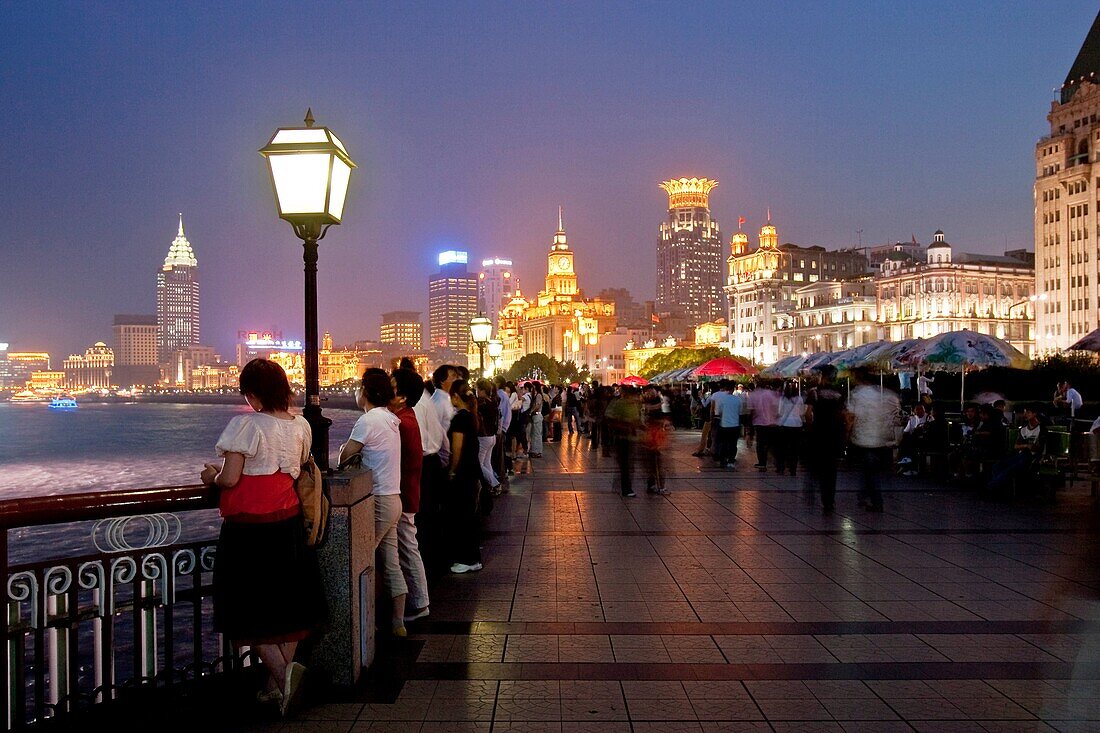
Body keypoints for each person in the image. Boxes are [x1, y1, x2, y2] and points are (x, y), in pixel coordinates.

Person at [201, 358, 323, 715]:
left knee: (247, 608)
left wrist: (210, 475)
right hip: (287, 523)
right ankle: (276, 687)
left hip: (248, 531)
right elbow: (298, 466)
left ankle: (286, 678)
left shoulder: (246, 425)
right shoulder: (300, 425)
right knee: (288, 605)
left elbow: (230, 478)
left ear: (252, 395)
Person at [339, 371, 408, 637]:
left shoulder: (368, 421)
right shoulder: (391, 419)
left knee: (363, 559)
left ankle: (365, 624)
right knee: (391, 562)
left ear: (366, 392)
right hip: (394, 498)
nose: (356, 392)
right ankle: (398, 622)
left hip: (377, 499)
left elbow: (346, 455)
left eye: (359, 387)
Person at [389, 367, 430, 624]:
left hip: (403, 493)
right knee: (407, 546)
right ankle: (418, 600)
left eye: (391, 386)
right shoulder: (408, 416)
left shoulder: (401, 422)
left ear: (402, 396)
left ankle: (419, 602)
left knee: (407, 547)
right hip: (409, 491)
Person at [846, 367, 900, 512]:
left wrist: (847, 434)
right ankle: (865, 496)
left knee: (869, 470)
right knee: (870, 470)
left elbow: (851, 417)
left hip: (863, 439)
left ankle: (875, 500)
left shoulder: (857, 394)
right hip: (879, 439)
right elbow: (893, 410)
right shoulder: (882, 394)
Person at [446, 380, 483, 573]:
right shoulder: (471, 416)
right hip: (472, 470)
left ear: (456, 397)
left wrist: (452, 469)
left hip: (463, 473)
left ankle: (467, 559)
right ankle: (473, 557)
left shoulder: (459, 418)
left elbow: (457, 448)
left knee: (462, 515)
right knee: (470, 514)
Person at [804, 365, 846, 513]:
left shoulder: (814, 393)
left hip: (818, 433)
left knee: (818, 464)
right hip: (834, 434)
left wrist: (810, 428)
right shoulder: (839, 393)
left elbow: (808, 414)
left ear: (822, 376)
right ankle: (829, 500)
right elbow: (843, 414)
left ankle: (817, 491)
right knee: (831, 469)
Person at [988, 406, 1046, 494]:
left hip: (1031, 457)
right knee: (997, 466)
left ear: (1034, 414)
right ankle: (997, 488)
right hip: (1021, 454)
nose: (1025, 414)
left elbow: (1039, 447)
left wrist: (1028, 447)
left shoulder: (1041, 429)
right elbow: (1016, 446)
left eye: (1028, 412)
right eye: (1025, 412)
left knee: (1009, 470)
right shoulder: (1023, 429)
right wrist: (1026, 445)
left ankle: (992, 488)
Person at [605, 386, 643, 497]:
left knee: (626, 464)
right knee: (625, 464)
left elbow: (637, 420)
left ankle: (621, 485)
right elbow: (610, 418)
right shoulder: (620, 403)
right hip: (622, 438)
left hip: (630, 438)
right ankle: (626, 489)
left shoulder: (632, 404)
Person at [475, 379, 501, 493]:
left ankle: (495, 484)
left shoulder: (482, 403)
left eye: (477, 389)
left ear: (481, 390)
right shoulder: (493, 401)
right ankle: (492, 484)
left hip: (483, 436)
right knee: (486, 463)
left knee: (478, 465)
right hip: (491, 436)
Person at [749, 380, 780, 471]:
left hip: (759, 423)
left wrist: (750, 427)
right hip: (772, 423)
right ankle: (777, 462)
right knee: (772, 444)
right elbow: (777, 407)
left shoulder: (753, 395)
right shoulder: (772, 394)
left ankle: (762, 463)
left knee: (760, 444)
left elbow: (751, 411)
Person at [710, 381, 742, 469]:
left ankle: (723, 461)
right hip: (735, 424)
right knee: (733, 444)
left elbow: (719, 412)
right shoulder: (738, 399)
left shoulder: (722, 400)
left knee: (723, 443)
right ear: (734, 388)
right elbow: (740, 412)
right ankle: (731, 460)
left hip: (724, 424)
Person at [775, 381, 804, 476]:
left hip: (785, 424)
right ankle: (793, 469)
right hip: (797, 425)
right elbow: (802, 412)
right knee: (795, 449)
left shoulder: (783, 399)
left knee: (782, 447)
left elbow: (780, 412)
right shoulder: (799, 399)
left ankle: (781, 467)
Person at [528, 383, 545, 457]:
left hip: (537, 415)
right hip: (535, 416)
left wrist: (531, 411)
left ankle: (537, 451)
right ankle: (534, 450)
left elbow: (537, 405)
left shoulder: (538, 395)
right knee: (534, 433)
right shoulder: (536, 395)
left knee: (537, 434)